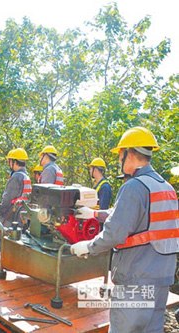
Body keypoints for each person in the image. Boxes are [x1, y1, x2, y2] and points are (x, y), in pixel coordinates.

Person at [70, 127, 178, 333]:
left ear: (129, 153)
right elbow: (138, 219)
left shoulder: (134, 187)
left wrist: (88, 247)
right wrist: (94, 214)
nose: (119, 160)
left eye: (120, 155)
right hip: (162, 278)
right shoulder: (165, 187)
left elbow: (115, 234)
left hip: (136, 279)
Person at [0, 148, 32, 225]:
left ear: (14, 162)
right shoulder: (26, 176)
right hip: (22, 215)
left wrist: (0, 212)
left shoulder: (16, 177)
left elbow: (7, 198)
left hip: (11, 216)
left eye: (9, 161)